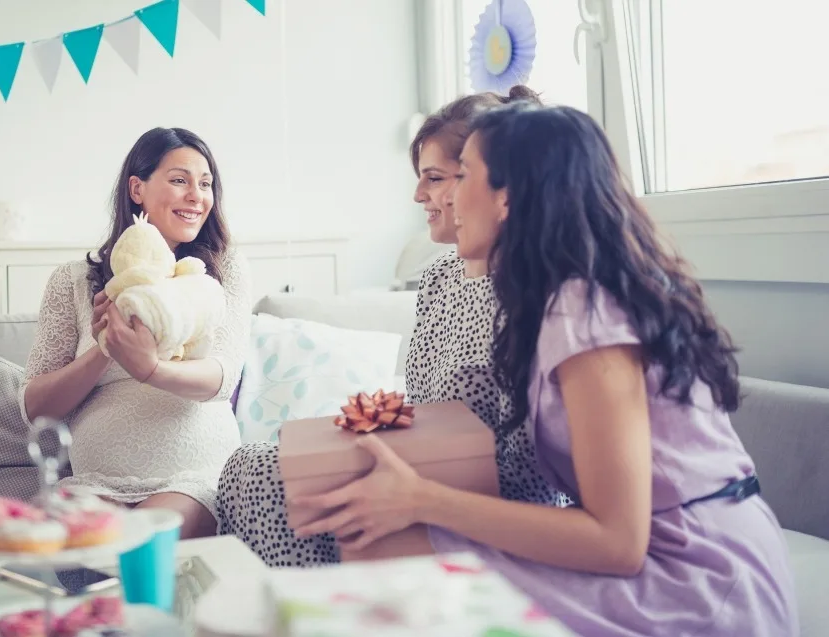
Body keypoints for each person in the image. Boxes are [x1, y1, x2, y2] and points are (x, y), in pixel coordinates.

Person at [291, 103, 797, 635]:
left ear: (507, 197)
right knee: (378, 540)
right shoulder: (549, 301)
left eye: (464, 176)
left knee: (393, 545)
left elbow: (618, 543)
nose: (446, 197)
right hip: (656, 550)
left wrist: (422, 498)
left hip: (695, 575)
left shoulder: (585, 310)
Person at [216, 87, 568, 568]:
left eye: (436, 178)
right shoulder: (440, 276)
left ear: (493, 181)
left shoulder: (544, 294)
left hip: (493, 505)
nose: (419, 195)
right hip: (426, 471)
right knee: (257, 464)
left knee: (269, 477)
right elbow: (425, 409)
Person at [22, 127, 249, 539]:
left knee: (143, 542)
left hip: (190, 477)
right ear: (137, 188)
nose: (197, 195)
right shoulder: (73, 282)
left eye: (206, 184)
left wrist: (149, 368)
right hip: (95, 484)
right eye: (180, 180)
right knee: (65, 545)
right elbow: (36, 408)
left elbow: (221, 378)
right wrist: (106, 347)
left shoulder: (219, 271)